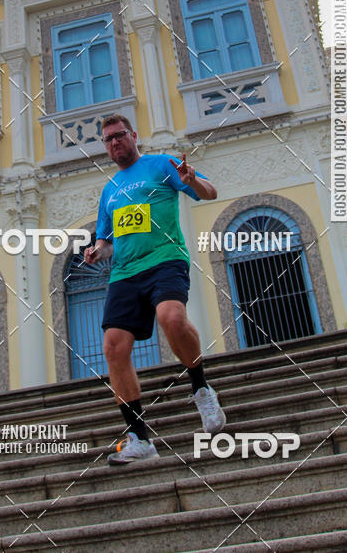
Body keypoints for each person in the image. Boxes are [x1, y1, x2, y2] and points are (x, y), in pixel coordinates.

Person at [84, 113, 226, 465]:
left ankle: (201, 388)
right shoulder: (110, 189)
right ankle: (139, 438)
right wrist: (96, 252)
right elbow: (106, 240)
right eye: (108, 140)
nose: (115, 142)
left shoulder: (162, 164)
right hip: (125, 272)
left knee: (171, 318)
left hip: (164, 258)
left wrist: (194, 181)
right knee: (113, 347)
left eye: (120, 136)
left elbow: (210, 192)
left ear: (134, 135)